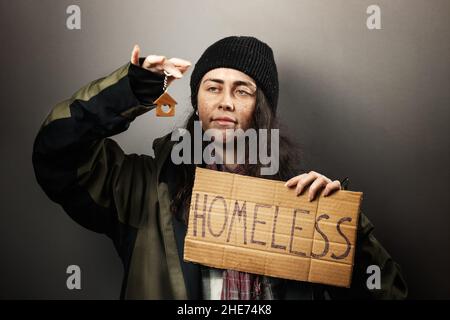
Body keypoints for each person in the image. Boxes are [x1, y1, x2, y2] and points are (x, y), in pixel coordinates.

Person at [32, 36, 407, 299]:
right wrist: (131, 90)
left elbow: (385, 293)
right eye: (213, 87)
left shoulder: (301, 200)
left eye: (242, 90)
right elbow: (56, 152)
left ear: (261, 108)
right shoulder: (144, 189)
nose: (225, 102)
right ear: (197, 101)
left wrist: (343, 227)